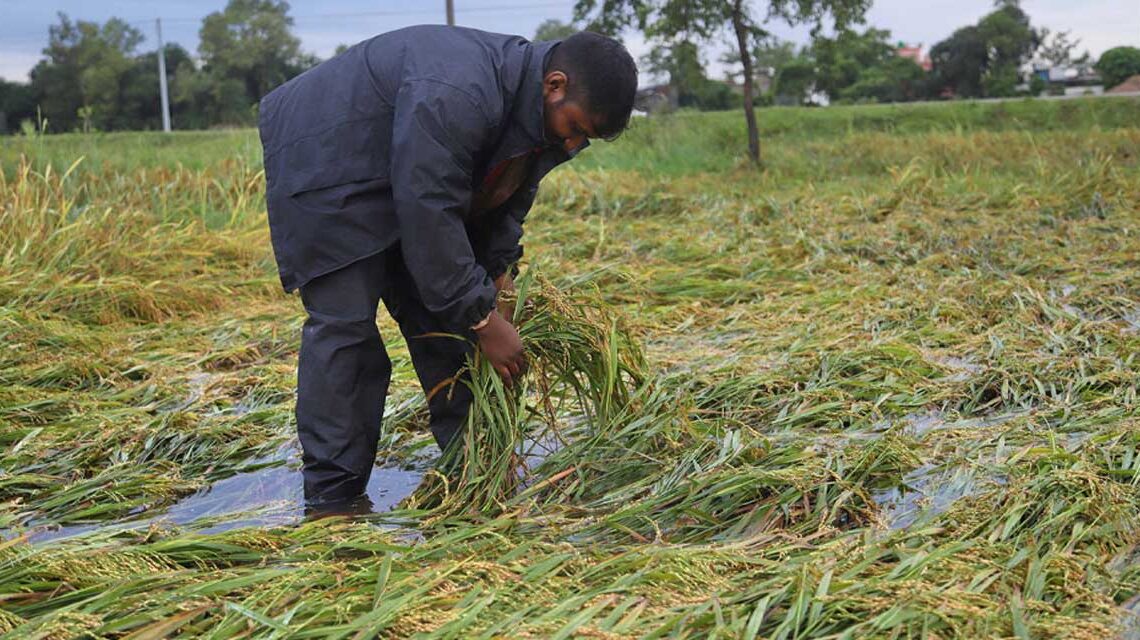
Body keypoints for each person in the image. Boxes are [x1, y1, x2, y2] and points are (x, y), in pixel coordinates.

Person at [257, 25, 638, 512]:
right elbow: (429, 209)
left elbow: (505, 202)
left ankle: (477, 470)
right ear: (555, 84)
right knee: (346, 327)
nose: (575, 145)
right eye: (578, 128)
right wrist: (482, 317)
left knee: (445, 325)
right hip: (328, 158)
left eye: (588, 138)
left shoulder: (545, 122)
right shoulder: (461, 91)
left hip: (403, 170)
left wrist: (497, 281)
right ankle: (334, 501)